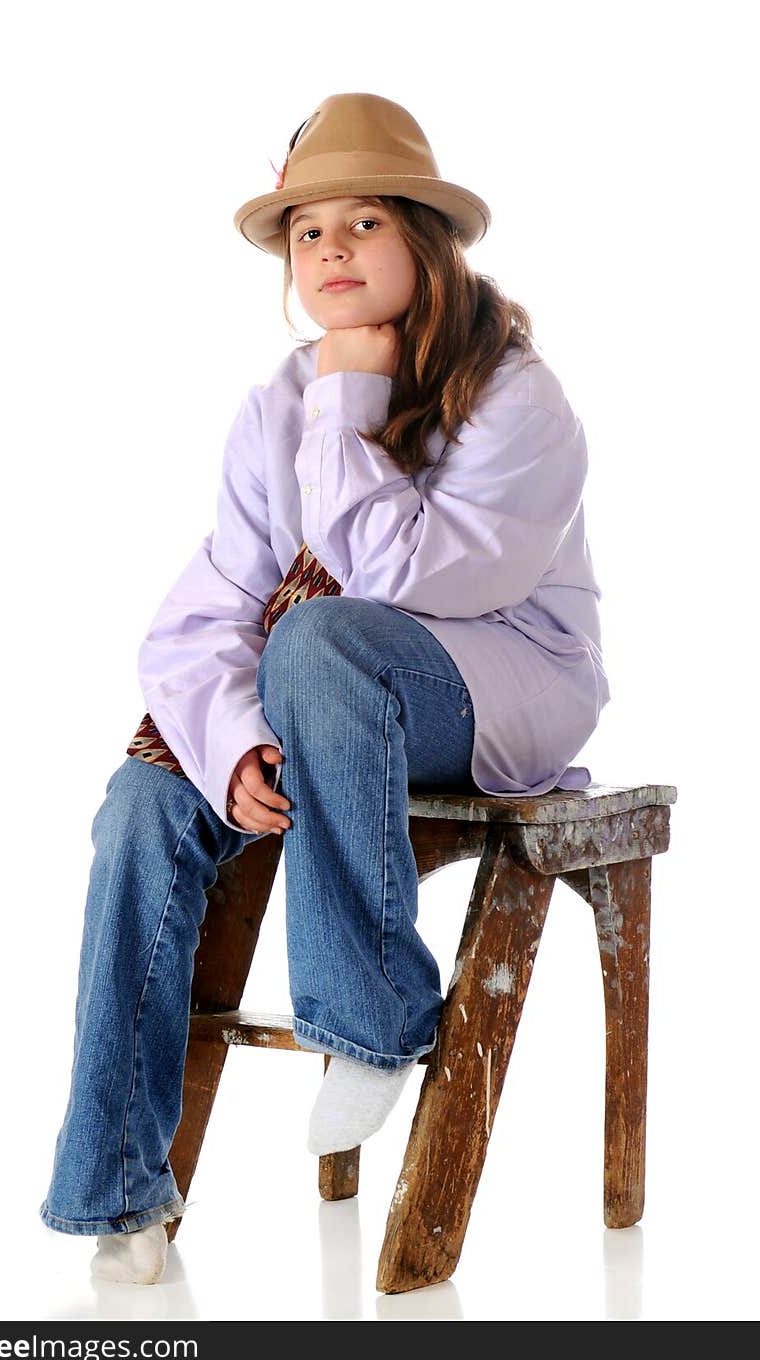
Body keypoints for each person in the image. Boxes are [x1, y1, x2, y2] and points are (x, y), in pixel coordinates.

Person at [38, 91, 610, 1284]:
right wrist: (239, 743)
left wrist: (348, 400)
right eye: (308, 233)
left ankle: (371, 1011)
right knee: (142, 805)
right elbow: (201, 615)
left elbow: (404, 578)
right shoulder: (273, 410)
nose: (331, 250)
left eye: (362, 223)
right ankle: (119, 1190)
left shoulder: (518, 396)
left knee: (323, 640)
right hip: (317, 694)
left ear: (425, 240)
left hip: (495, 682)